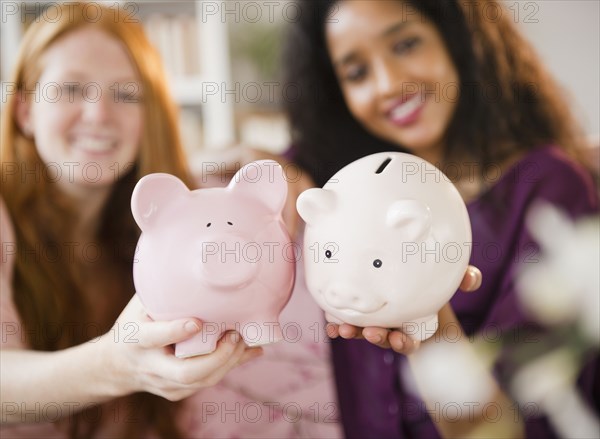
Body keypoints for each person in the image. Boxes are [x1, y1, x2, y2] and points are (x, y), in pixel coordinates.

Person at [280, 0, 599, 437]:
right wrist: (266, 165)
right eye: (356, 73)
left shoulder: (548, 190)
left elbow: (515, 428)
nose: (389, 83)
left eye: (406, 43)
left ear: (460, 38)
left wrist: (430, 325)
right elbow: (262, 168)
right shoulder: (345, 177)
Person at [0, 3, 261, 438]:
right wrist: (117, 365)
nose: (99, 114)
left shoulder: (161, 222)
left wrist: (265, 160)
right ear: (26, 112)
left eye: (125, 94)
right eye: (70, 89)